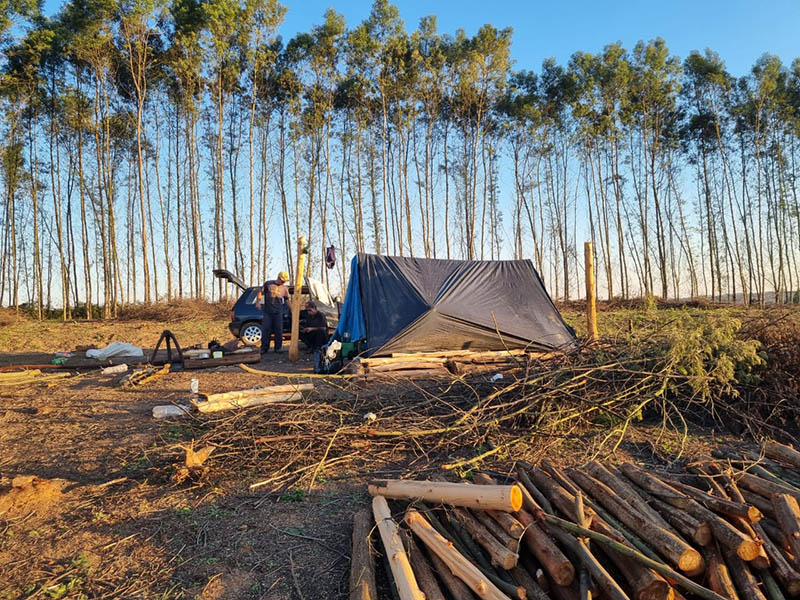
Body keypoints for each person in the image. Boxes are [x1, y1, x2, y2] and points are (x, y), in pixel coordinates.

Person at [256, 271, 290, 353]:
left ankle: (278, 348)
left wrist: (292, 309)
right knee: (266, 329)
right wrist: (258, 302)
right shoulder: (268, 284)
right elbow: (260, 292)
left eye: (284, 281)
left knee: (278, 330)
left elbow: (287, 300)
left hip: (278, 312)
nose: (283, 282)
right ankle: (264, 348)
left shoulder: (284, 289)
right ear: (278, 278)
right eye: (282, 281)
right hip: (267, 311)